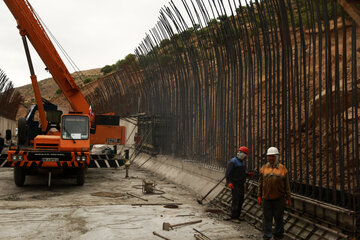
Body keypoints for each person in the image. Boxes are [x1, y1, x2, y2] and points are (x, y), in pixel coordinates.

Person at [257, 147, 291, 240]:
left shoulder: (282, 169)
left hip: (279, 198)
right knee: (266, 218)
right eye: (269, 157)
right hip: (266, 198)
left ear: (276, 157)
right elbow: (260, 183)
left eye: (272, 157)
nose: (271, 158)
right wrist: (259, 196)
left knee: (279, 218)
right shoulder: (264, 168)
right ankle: (267, 235)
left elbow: (287, 185)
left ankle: (278, 235)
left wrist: (288, 198)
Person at [225, 146, 253, 221]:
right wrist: (229, 182)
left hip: (241, 184)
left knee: (241, 200)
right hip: (235, 184)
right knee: (236, 200)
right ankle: (233, 216)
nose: (246, 158)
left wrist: (248, 174)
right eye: (246, 156)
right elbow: (228, 174)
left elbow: (242, 173)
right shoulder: (233, 162)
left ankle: (237, 215)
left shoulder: (242, 163)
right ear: (243, 154)